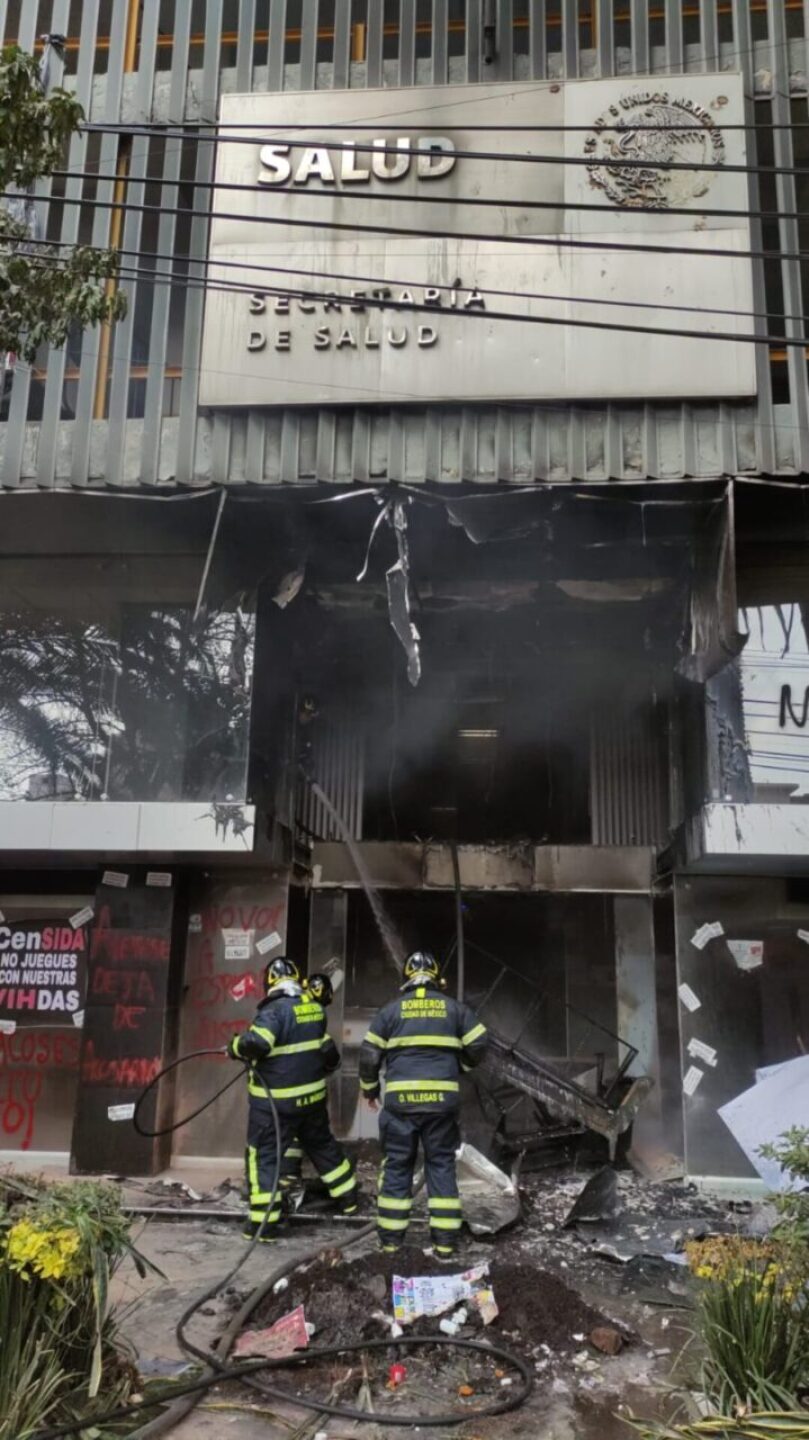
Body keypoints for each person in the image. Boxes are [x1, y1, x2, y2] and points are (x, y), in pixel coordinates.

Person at [358, 950, 487, 1260]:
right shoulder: (454, 1009)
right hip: (441, 1107)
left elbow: (368, 1055)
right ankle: (444, 1245)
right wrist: (460, 1067)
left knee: (398, 1168)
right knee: (441, 1166)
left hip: (400, 1106)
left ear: (405, 979)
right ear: (436, 979)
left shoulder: (390, 1012)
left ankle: (390, 1244)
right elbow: (480, 1043)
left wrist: (370, 1090)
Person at [228, 957, 357, 1241]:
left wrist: (235, 1046)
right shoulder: (312, 1010)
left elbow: (258, 1043)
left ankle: (264, 1224)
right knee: (322, 1145)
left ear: (270, 982)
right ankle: (349, 1198)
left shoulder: (273, 1012)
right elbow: (326, 1053)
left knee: (262, 1155)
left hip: (275, 1105)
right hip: (311, 1101)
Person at [279, 972, 335, 1191]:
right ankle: (288, 1177)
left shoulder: (286, 1007)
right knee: (309, 1135)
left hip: (281, 1087)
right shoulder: (313, 1012)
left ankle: (287, 1177)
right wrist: (329, 1065)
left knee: (288, 1133)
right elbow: (329, 1051)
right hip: (303, 1089)